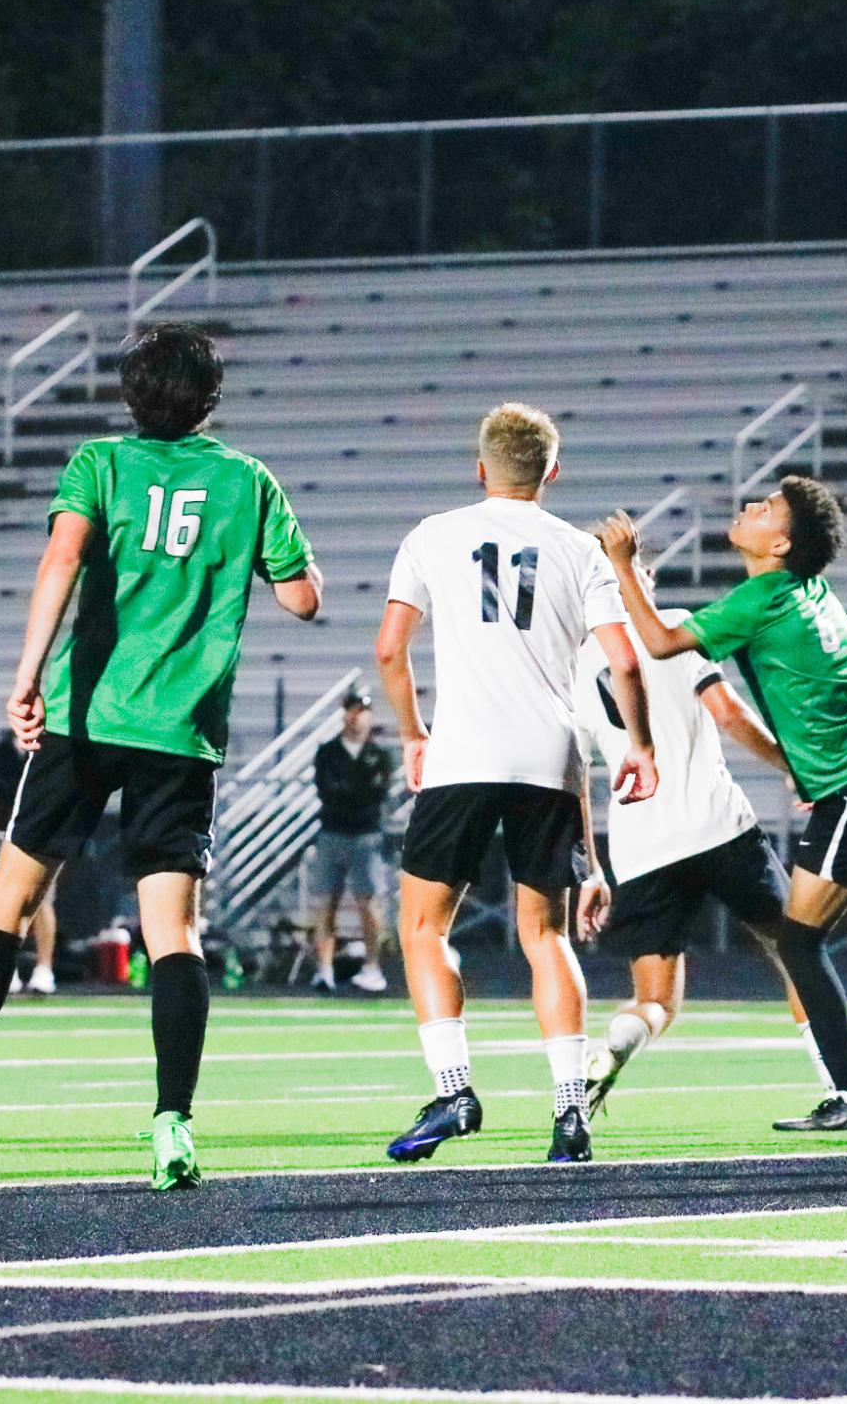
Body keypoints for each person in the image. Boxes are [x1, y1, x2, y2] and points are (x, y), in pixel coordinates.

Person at [0, 322, 322, 1189]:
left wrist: (27, 676)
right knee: (175, 933)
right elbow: (304, 600)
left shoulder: (100, 464)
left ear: (130, 397)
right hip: (180, 733)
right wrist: (247, 563)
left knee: (6, 901)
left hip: (87, 718)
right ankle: (172, 1122)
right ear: (210, 399)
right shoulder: (246, 481)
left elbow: (60, 561)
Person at [597, 474, 847, 1135]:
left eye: (767, 508)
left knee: (798, 941)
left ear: (780, 542)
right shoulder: (808, 586)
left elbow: (662, 642)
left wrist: (621, 565)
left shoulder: (757, 599)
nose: (751, 506)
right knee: (794, 936)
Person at [378, 402, 656, 1167]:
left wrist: (411, 733)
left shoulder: (434, 534)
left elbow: (389, 649)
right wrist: (639, 743)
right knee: (547, 936)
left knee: (424, 928)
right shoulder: (576, 548)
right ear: (551, 472)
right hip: (547, 757)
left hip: (462, 753)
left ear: (479, 467)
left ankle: (454, 1089)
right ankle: (570, 1112)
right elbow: (625, 661)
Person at [574, 561, 833, 1116]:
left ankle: (613, 1047)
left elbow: (575, 777)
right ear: (634, 578)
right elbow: (729, 713)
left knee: (656, 1001)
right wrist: (790, 765)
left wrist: (591, 867)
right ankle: (841, 1089)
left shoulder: (574, 664)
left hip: (641, 846)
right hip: (716, 827)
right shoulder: (673, 625)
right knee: (797, 949)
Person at [307, 689, 395, 994]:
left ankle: (372, 967)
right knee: (325, 903)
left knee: (369, 903)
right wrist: (354, 791)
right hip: (333, 833)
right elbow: (328, 790)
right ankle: (325, 968)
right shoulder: (328, 752)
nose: (355, 716)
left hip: (366, 835)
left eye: (361, 711)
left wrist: (349, 791)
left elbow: (376, 793)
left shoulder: (379, 755)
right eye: (351, 710)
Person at [0, 728, 55, 996]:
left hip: (41, 833)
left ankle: (44, 969)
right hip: (2, 834)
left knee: (42, 901)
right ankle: (5, 970)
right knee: (0, 901)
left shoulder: (50, 749)